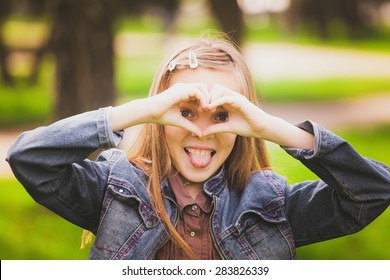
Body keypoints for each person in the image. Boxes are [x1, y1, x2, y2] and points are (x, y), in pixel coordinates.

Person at [6, 36, 390, 260]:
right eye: (184, 112)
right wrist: (141, 111)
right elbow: (30, 159)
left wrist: (271, 128)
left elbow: (373, 192)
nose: (202, 131)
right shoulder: (115, 191)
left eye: (223, 115)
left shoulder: (272, 205)